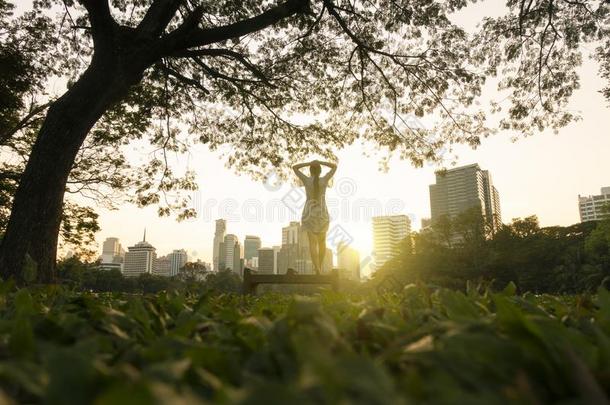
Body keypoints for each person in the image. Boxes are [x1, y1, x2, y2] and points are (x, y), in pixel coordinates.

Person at [292, 159, 337, 274]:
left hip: (309, 213)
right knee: (322, 242)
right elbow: (334, 166)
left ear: (310, 171)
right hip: (322, 213)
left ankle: (316, 267)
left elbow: (295, 168)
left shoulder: (307, 180)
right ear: (320, 171)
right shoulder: (324, 180)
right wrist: (320, 162)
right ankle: (319, 267)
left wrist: (309, 163)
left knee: (312, 243)